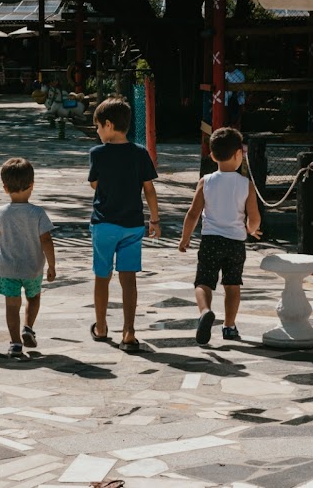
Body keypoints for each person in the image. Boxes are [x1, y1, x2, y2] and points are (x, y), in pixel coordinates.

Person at [88, 97, 160, 352]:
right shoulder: (140, 153)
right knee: (128, 279)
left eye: (97, 126)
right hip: (132, 225)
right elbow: (149, 189)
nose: (97, 132)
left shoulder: (97, 153)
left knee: (102, 276)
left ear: (108, 125)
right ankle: (129, 331)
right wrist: (155, 218)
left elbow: (95, 184)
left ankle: (101, 326)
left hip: (104, 224)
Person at [178, 127, 262, 345]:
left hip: (211, 240)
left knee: (203, 282)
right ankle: (229, 326)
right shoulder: (246, 185)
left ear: (213, 155)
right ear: (238, 155)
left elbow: (193, 213)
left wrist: (185, 238)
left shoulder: (206, 181)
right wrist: (252, 229)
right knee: (232, 285)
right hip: (235, 242)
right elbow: (254, 218)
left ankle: (205, 311)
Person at [0, 158, 56, 357]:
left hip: (7, 269)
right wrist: (52, 266)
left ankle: (15, 343)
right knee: (33, 297)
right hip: (32, 268)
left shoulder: (1, 213)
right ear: (32, 185)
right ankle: (28, 327)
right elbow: (46, 240)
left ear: (5, 188)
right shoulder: (37, 213)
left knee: (11, 306)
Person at [224, 60, 245, 128]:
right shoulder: (225, 74)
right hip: (225, 100)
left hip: (236, 99)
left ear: (232, 65)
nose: (225, 66)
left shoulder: (239, 74)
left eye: (227, 64)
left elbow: (238, 89)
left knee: (235, 120)